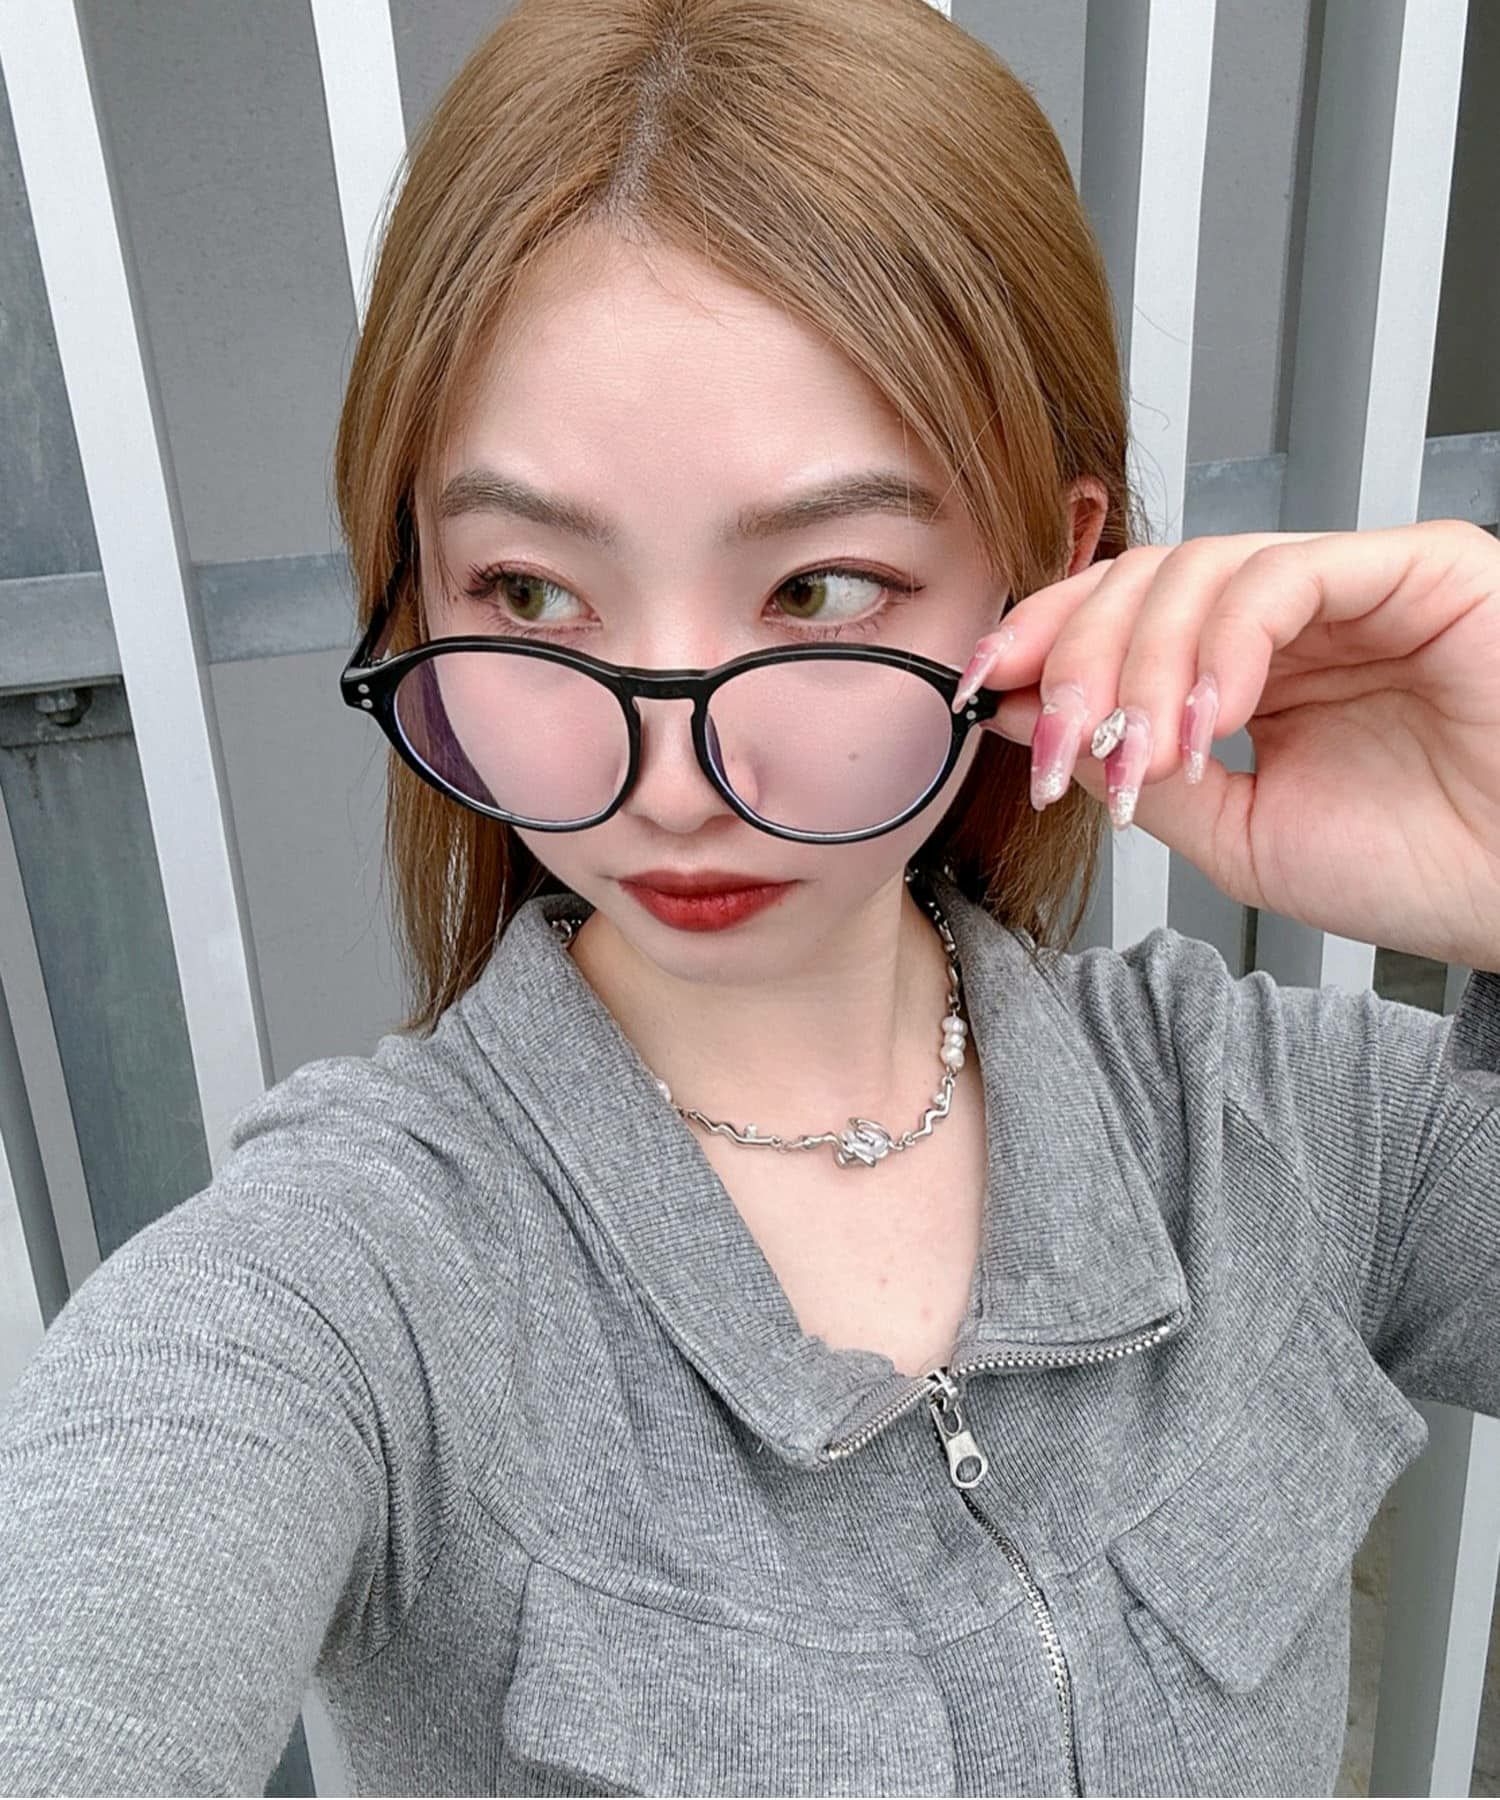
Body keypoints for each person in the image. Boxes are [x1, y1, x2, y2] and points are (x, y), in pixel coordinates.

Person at [2, 0, 1498, 1793]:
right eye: (532, 596)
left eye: (820, 590)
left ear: (1055, 562)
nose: (669, 782)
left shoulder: (1273, 1131)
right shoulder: (356, 1287)